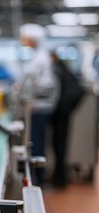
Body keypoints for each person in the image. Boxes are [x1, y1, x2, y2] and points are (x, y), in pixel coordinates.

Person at [19, 23, 58, 185]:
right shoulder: (39, 55)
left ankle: (38, 178)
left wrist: (24, 91)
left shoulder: (40, 57)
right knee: (36, 142)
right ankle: (37, 177)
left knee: (37, 144)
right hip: (39, 107)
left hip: (40, 108)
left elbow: (37, 82)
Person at [50, 52, 84, 187]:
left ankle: (60, 179)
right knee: (59, 145)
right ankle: (58, 177)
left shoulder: (59, 71)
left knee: (59, 145)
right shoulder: (64, 70)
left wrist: (64, 107)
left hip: (61, 114)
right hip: (62, 113)